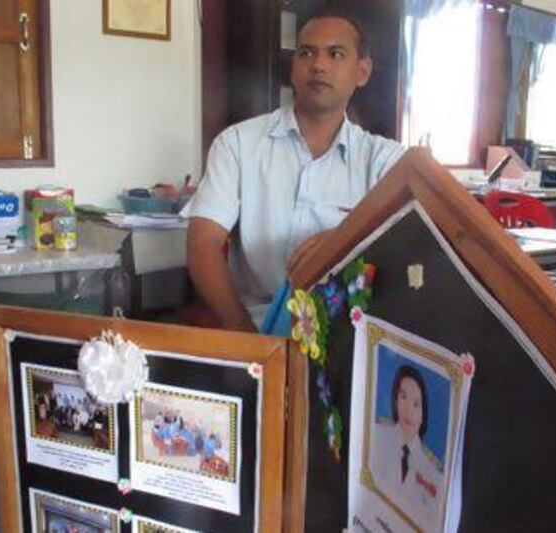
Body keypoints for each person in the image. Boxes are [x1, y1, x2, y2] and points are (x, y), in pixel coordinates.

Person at [183, 6, 405, 332]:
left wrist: (346, 241)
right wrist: (247, 340)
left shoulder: (385, 160)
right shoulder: (238, 144)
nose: (318, 65)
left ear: (362, 71)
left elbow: (415, 248)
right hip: (254, 326)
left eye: (335, 54)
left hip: (344, 339)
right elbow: (202, 246)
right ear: (293, 68)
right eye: (306, 53)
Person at [371, 365, 443, 531]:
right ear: (395, 399)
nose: (408, 409)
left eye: (416, 404)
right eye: (403, 397)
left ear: (424, 414)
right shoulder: (376, 435)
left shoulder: (432, 471)